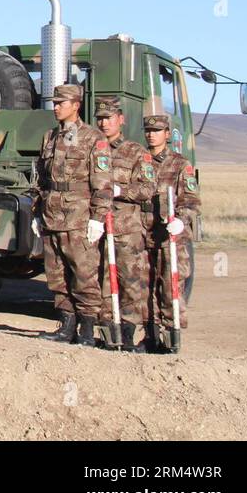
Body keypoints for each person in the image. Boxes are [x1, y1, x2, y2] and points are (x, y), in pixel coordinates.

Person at [31, 83, 113, 346]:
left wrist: (97, 218)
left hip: (79, 216)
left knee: (84, 273)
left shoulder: (93, 139)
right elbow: (41, 180)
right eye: (54, 103)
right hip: (52, 214)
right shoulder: (50, 137)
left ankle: (87, 330)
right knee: (56, 274)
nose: (55, 107)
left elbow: (103, 183)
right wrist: (36, 211)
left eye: (61, 103)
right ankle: (66, 327)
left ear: (76, 105)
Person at [93, 96, 154, 349]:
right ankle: (107, 333)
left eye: (109, 118)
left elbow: (148, 188)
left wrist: (121, 190)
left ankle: (127, 333)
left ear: (121, 119)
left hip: (126, 228)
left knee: (130, 280)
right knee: (101, 280)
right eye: (100, 119)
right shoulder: (93, 150)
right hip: (99, 225)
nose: (104, 123)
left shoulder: (136, 152)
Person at [141, 114, 200, 354]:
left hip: (170, 238)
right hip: (144, 232)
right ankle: (150, 337)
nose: (152, 135)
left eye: (157, 131)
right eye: (148, 131)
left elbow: (191, 199)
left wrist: (181, 219)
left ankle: (171, 339)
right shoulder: (141, 161)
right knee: (145, 287)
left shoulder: (179, 164)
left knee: (170, 287)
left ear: (167, 134)